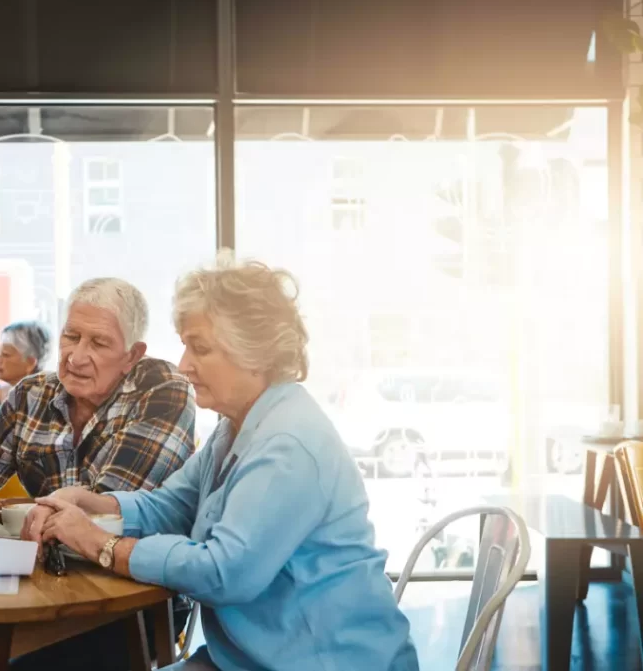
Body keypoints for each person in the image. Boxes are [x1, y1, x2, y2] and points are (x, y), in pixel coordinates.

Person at [30, 257, 420, 671]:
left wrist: (99, 544)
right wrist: (94, 504)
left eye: (200, 348)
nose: (183, 364)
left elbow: (222, 573)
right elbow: (172, 505)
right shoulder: (238, 426)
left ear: (254, 354)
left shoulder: (287, 444)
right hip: (247, 659)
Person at [0, 277, 196, 671]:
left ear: (132, 355)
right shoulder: (31, 394)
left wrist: (6, 525)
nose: (76, 357)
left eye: (98, 343)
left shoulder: (163, 388)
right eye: (71, 337)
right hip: (40, 592)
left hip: (133, 601)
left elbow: (107, 515)